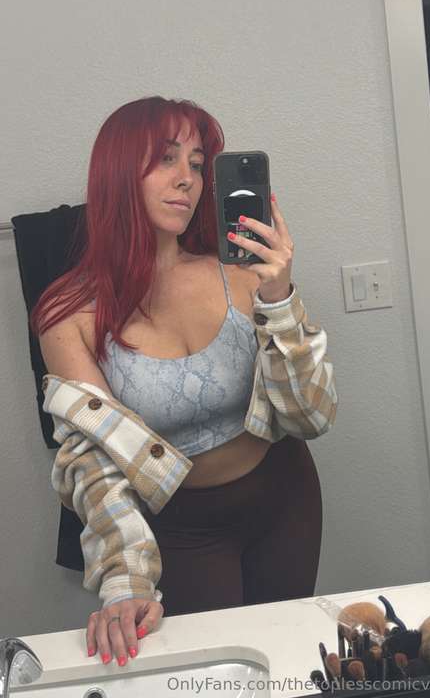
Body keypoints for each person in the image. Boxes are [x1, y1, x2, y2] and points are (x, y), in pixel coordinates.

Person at [31, 96, 337, 668]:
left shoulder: (241, 272)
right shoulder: (68, 314)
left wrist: (280, 298)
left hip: (285, 497)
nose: (187, 180)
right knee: (215, 675)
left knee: (289, 663)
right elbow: (92, 460)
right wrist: (124, 581)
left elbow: (311, 417)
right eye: (166, 158)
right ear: (118, 171)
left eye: (197, 164)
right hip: (181, 529)